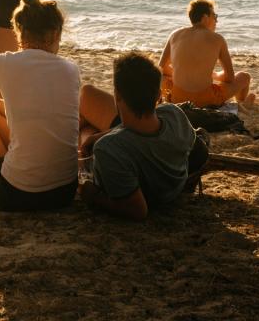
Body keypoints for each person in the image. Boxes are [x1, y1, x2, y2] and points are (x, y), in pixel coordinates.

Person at [0, 0, 79, 211]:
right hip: (64, 193)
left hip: (17, 194)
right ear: (55, 34)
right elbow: (33, 110)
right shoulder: (71, 70)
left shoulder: (4, 63)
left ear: (18, 32)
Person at [78, 52, 197, 221]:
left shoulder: (109, 148)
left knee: (86, 125)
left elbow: (137, 210)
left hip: (144, 192)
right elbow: (189, 144)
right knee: (88, 132)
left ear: (117, 96)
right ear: (158, 96)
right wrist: (100, 136)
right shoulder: (174, 114)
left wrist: (94, 196)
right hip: (172, 185)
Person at [159, 0, 253, 106]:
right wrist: (214, 75)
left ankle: (242, 103)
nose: (216, 20)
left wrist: (184, 73)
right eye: (214, 16)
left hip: (176, 97)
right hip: (205, 100)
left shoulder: (175, 34)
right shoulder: (217, 39)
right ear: (205, 17)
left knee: (161, 77)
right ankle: (241, 103)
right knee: (244, 76)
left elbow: (162, 68)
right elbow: (230, 78)